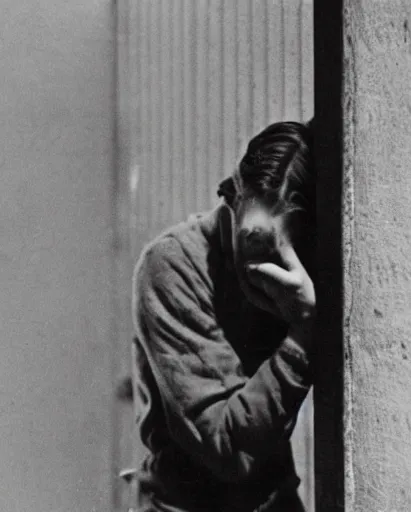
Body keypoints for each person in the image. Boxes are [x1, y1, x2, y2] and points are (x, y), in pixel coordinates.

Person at [130, 120, 316, 512]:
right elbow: (227, 448)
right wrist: (302, 337)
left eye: (292, 246)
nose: (276, 266)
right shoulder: (171, 267)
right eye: (257, 242)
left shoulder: (298, 268)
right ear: (231, 197)